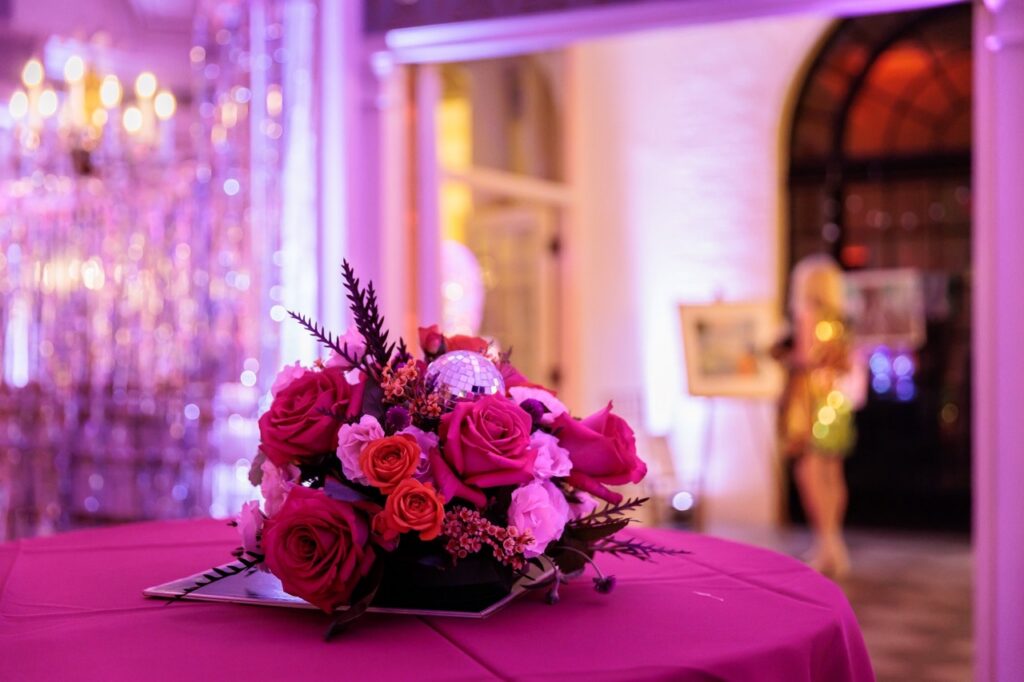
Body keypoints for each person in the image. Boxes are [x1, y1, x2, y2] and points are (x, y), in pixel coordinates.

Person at [773, 255, 862, 578]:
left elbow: (806, 357)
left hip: (813, 403)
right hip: (836, 404)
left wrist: (781, 352)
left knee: (809, 472)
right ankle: (832, 544)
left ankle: (827, 542)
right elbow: (846, 362)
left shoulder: (807, 314)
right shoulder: (839, 319)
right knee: (832, 472)